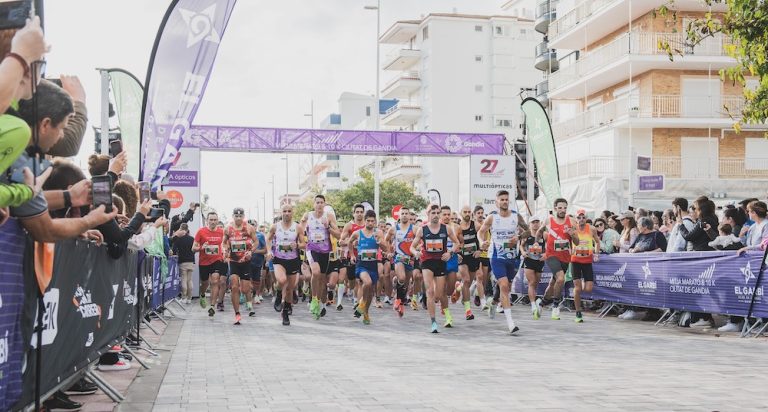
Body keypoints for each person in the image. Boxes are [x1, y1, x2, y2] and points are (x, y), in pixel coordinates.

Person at [478, 190, 526, 334]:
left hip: (512, 257)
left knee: (506, 287)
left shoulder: (516, 217)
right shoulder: (492, 218)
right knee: (504, 286)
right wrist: (481, 242)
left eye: (506, 199)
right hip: (496, 256)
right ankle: (511, 323)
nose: (504, 201)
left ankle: (493, 303)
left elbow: (529, 231)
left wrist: (518, 237)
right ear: (496, 202)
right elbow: (480, 232)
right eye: (502, 199)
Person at [411, 204, 461, 333]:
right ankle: (433, 322)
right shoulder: (422, 230)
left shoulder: (447, 229)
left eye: (437, 213)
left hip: (440, 262)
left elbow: (457, 243)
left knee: (440, 294)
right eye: (433, 213)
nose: (435, 215)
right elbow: (412, 247)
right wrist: (415, 253)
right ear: (428, 214)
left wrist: (450, 253)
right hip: (427, 262)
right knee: (430, 292)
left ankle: (445, 313)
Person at [301, 195, 340, 319]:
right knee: (316, 273)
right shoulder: (308, 216)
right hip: (311, 249)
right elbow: (299, 231)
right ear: (313, 204)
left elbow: (338, 235)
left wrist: (328, 227)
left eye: (321, 202)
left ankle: (320, 303)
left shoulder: (329, 217)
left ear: (325, 204)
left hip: (325, 251)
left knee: (322, 280)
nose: (319, 205)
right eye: (317, 202)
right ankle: (313, 299)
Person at [266, 204, 305, 326]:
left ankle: (286, 312)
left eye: (289, 211)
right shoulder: (275, 226)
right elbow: (268, 239)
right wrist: (269, 251)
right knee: (282, 280)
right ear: (281, 213)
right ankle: (278, 294)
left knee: (290, 288)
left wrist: (298, 245)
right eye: (284, 211)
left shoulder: (298, 227)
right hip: (279, 259)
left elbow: (304, 243)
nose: (287, 213)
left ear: (292, 213)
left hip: (293, 260)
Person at [348, 210, 389, 325]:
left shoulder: (379, 233)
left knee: (370, 292)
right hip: (361, 264)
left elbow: (386, 249)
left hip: (373, 264)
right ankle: (361, 302)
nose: (370, 223)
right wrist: (352, 255)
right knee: (367, 282)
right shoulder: (358, 233)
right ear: (365, 221)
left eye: (372, 221)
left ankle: (365, 312)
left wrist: (380, 242)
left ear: (375, 222)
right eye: (368, 221)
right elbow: (350, 242)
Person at [538, 198, 573, 320]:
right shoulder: (549, 220)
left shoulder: (571, 221)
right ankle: (555, 306)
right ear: (555, 208)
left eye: (565, 208)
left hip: (565, 257)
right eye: (560, 208)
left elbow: (577, 241)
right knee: (561, 279)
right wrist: (538, 243)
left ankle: (542, 303)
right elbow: (539, 231)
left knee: (553, 283)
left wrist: (572, 234)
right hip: (551, 255)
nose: (563, 210)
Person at [223, 207, 258, 324]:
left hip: (245, 261)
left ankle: (249, 303)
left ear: (243, 216)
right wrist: (225, 251)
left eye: (240, 216)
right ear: (233, 216)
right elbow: (224, 243)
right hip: (233, 261)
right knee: (234, 286)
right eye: (236, 216)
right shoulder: (228, 228)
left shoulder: (249, 228)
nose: (238, 218)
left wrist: (251, 251)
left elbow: (256, 242)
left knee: (245, 289)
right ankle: (237, 313)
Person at [567, 209, 601, 323]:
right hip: (575, 261)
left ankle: (579, 284)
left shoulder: (591, 229)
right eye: (579, 217)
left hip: (587, 262)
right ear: (576, 219)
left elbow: (597, 241)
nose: (581, 220)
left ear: (586, 219)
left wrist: (596, 253)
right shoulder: (573, 229)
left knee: (588, 288)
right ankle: (578, 312)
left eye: (583, 217)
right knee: (578, 288)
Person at [192, 212, 226, 315]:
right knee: (205, 283)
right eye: (211, 220)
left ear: (217, 220)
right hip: (204, 262)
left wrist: (225, 252)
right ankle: (202, 294)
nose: (213, 222)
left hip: (217, 260)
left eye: (215, 220)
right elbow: (193, 249)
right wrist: (202, 247)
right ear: (207, 220)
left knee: (215, 281)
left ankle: (212, 306)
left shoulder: (222, 232)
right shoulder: (201, 232)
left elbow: (225, 245)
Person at [385, 206, 415, 318]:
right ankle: (397, 299)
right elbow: (386, 240)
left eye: (406, 213)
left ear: (409, 215)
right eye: (402, 213)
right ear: (399, 215)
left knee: (405, 284)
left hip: (410, 259)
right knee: (401, 278)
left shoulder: (414, 229)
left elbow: (421, 241)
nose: (404, 215)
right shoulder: (394, 229)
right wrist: (388, 251)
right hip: (398, 258)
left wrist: (416, 250)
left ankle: (401, 303)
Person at [339, 203, 366, 310]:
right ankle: (354, 294)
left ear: (364, 213)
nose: (359, 214)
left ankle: (358, 301)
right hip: (351, 256)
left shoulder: (367, 225)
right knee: (352, 280)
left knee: (361, 280)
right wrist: (351, 242)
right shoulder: (349, 226)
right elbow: (341, 241)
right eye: (357, 212)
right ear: (353, 214)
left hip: (363, 256)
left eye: (361, 212)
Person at [519, 215, 545, 319]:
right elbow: (521, 245)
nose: (535, 224)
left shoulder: (543, 235)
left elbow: (547, 246)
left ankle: (535, 301)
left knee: (536, 283)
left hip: (539, 261)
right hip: (529, 260)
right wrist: (523, 252)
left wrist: (545, 254)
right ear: (530, 224)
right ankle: (533, 305)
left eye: (537, 222)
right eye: (533, 222)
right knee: (532, 282)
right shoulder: (527, 234)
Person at [457, 205, 481, 320]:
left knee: (468, 282)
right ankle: (468, 311)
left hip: (473, 256)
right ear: (461, 213)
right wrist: (456, 253)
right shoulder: (457, 227)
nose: (467, 213)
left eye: (469, 212)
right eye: (465, 211)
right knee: (466, 280)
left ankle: (461, 292)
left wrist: (480, 250)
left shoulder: (475, 225)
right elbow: (452, 241)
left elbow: (483, 236)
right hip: (462, 257)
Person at [441, 206, 464, 312]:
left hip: (452, 258)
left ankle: (451, 293)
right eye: (444, 214)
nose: (446, 216)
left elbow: (461, 242)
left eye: (448, 214)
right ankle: (444, 305)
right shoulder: (435, 227)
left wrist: (457, 251)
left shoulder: (456, 227)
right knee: (441, 285)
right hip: (439, 258)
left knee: (449, 290)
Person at [171, 223, 195, 304]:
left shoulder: (178, 239)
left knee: (184, 280)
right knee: (190, 280)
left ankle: (184, 297)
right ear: (187, 229)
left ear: (180, 229)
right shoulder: (192, 239)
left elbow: (174, 250)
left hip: (182, 261)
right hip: (191, 261)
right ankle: (189, 298)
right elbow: (194, 249)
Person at [473, 205, 491, 311]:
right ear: (474, 215)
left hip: (486, 254)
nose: (480, 215)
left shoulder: (486, 225)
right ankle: (482, 299)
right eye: (478, 213)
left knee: (484, 279)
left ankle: (477, 294)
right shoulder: (474, 226)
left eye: (481, 213)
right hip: (477, 254)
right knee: (479, 277)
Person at [250, 222, 268, 305]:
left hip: (257, 261)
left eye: (253, 224)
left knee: (257, 280)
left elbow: (265, 250)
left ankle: (256, 295)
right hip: (246, 262)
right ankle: (247, 295)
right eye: (250, 224)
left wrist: (255, 251)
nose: (251, 226)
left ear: (256, 226)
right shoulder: (244, 235)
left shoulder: (260, 235)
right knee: (247, 279)